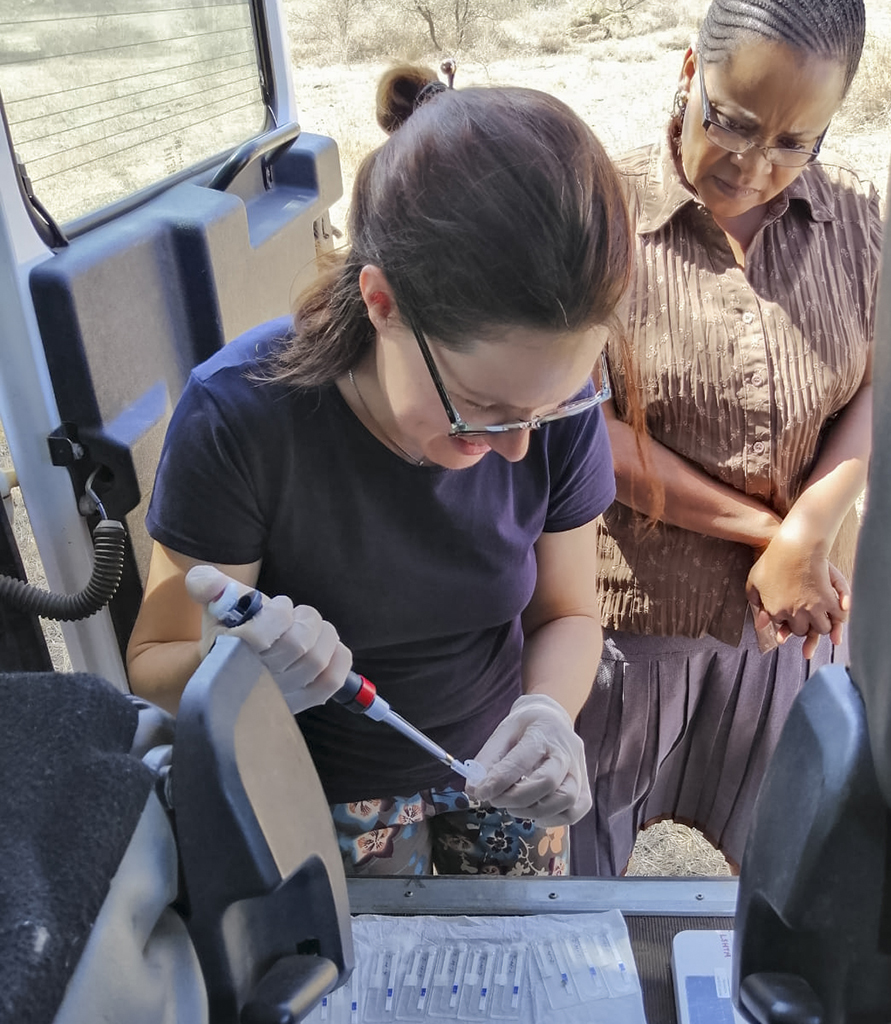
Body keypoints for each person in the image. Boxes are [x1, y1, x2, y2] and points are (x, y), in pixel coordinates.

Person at [126, 65, 633, 877]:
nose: (515, 447)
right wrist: (240, 673)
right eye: (481, 407)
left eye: (549, 409)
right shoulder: (244, 419)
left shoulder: (539, 408)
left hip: (501, 775)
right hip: (308, 789)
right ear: (381, 301)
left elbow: (567, 613)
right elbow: (154, 660)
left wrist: (547, 713)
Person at [572, 0, 882, 876]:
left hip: (793, 629)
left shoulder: (857, 218)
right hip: (628, 626)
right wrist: (770, 536)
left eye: (796, 142)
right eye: (733, 123)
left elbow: (884, 380)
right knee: (588, 872)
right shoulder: (601, 212)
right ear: (687, 72)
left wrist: (813, 529)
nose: (754, 167)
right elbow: (582, 430)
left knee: (797, 875)